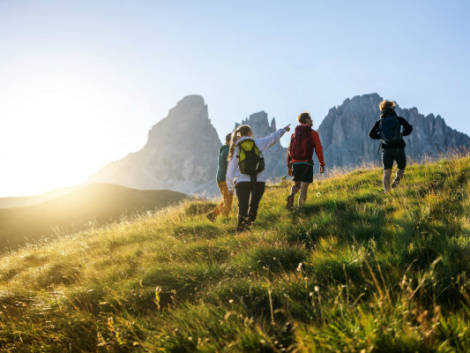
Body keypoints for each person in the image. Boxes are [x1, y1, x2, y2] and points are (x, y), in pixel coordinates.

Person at [226, 123, 290, 232]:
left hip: (242, 182)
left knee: (242, 208)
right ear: (250, 133)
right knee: (253, 207)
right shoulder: (258, 143)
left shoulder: (236, 147)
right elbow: (273, 138)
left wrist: (230, 187)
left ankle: (241, 232)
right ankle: (249, 226)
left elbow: (230, 170)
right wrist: (283, 130)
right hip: (259, 181)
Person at [369, 100, 413, 192]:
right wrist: (401, 134)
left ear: (382, 109)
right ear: (391, 108)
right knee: (401, 167)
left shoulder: (380, 122)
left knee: (387, 173)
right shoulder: (399, 119)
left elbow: (371, 134)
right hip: (398, 148)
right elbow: (409, 129)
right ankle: (396, 181)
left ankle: (387, 193)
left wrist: (381, 136)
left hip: (386, 150)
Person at [286, 112, 325, 210]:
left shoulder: (294, 134)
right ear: (306, 120)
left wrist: (289, 166)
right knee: (304, 188)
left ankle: (291, 195)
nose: (312, 120)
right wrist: (321, 163)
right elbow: (318, 149)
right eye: (310, 118)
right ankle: (301, 210)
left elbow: (289, 151)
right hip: (307, 163)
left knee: (296, 185)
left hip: (295, 163)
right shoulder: (313, 133)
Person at [207, 133, 233, 221]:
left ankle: (212, 215)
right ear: (229, 141)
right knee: (228, 202)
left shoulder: (225, 150)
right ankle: (224, 220)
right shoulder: (227, 152)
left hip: (221, 179)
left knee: (227, 199)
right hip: (224, 180)